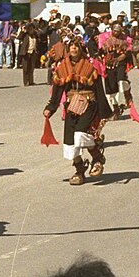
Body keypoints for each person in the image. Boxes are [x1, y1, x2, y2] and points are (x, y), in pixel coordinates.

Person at [44, 37, 111, 185]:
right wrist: (51, 107)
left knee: (81, 134)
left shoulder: (90, 66)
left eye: (76, 46)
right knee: (70, 142)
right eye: (71, 46)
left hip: (89, 103)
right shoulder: (62, 67)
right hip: (71, 105)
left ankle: (97, 157)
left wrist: (104, 112)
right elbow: (58, 90)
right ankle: (79, 170)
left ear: (81, 49)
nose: (74, 49)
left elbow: (99, 90)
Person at [100, 21, 132, 116]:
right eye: (115, 30)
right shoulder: (106, 40)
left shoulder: (124, 40)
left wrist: (118, 59)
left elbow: (126, 53)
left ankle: (127, 98)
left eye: (118, 31)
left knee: (121, 80)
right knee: (111, 87)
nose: (116, 33)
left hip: (120, 63)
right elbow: (101, 52)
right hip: (109, 65)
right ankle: (115, 109)